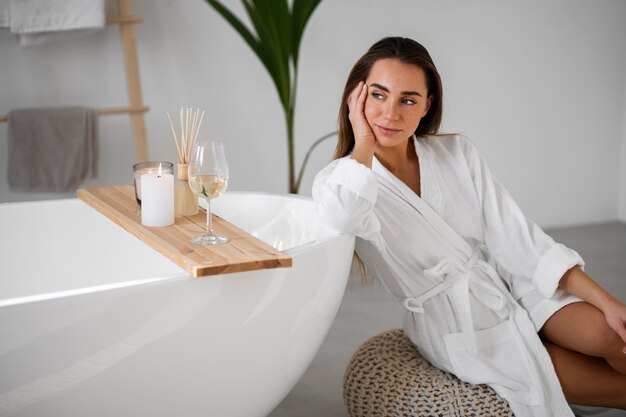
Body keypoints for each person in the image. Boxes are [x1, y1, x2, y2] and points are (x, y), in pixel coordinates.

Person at [312, 36, 626, 416]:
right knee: (607, 387)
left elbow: (517, 237)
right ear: (355, 99)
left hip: (507, 281)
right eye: (378, 95)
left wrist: (609, 303)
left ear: (427, 106)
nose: (390, 113)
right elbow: (343, 216)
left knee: (614, 334)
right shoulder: (339, 182)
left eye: (407, 100)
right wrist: (361, 141)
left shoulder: (456, 153)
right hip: (457, 323)